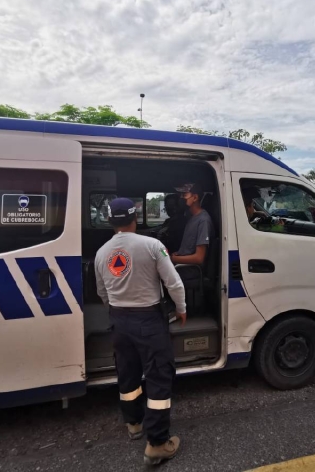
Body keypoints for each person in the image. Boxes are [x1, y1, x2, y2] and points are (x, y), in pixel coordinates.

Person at [95, 198, 186, 466]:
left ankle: (133, 424)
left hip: (118, 319)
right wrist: (181, 308)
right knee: (158, 376)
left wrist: (116, 309)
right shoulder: (153, 246)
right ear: (136, 219)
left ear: (110, 221)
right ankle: (157, 443)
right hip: (148, 319)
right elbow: (174, 283)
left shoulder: (102, 253)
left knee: (128, 371)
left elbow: (101, 292)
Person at [171, 183, 214, 266]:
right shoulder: (191, 217)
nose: (181, 198)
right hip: (181, 265)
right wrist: (178, 254)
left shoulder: (203, 220)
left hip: (189, 270)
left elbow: (199, 258)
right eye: (180, 195)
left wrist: (172, 259)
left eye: (184, 195)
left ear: (195, 197)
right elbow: (188, 249)